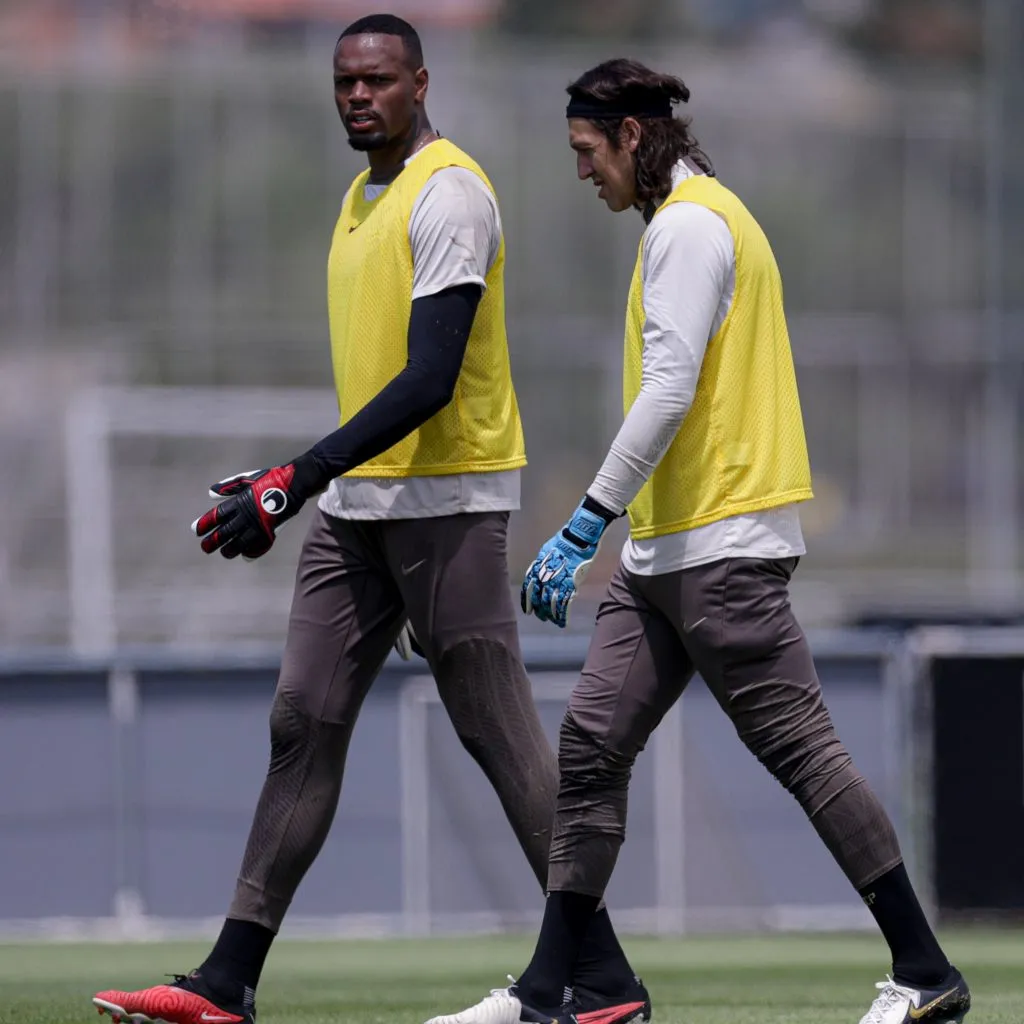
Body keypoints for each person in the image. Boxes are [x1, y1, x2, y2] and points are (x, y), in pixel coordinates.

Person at [91, 20, 647, 1024]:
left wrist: (292, 478)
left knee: (500, 737)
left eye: (378, 79)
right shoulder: (360, 200)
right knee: (300, 722)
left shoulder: (450, 193)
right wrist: (302, 484)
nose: (358, 95)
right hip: (357, 510)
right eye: (345, 80)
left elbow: (431, 378)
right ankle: (226, 981)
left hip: (449, 505)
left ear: (419, 83)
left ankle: (603, 975)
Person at [428, 59, 971, 1024]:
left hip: (722, 545)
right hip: (666, 552)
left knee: (803, 753)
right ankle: (566, 992)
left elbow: (670, 390)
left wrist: (586, 519)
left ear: (633, 135)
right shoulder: (698, 217)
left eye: (587, 150)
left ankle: (926, 972)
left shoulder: (687, 228)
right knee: (590, 747)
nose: (582, 170)